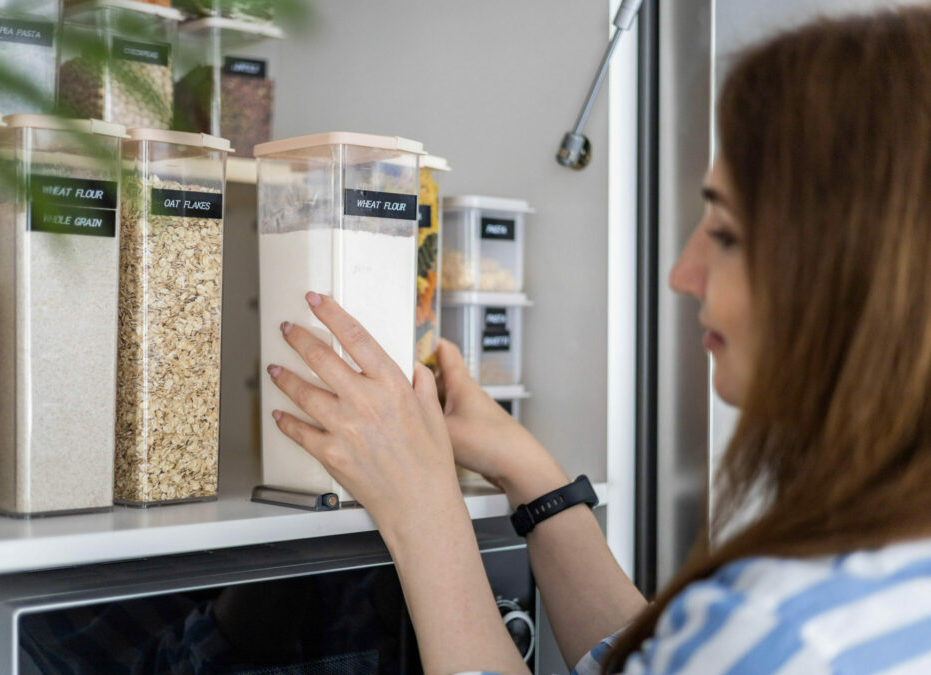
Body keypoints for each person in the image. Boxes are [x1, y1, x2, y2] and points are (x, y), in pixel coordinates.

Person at [265, 5, 931, 674]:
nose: (683, 273)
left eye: (726, 234)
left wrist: (423, 506)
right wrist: (532, 475)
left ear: (865, 272)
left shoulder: (782, 633)